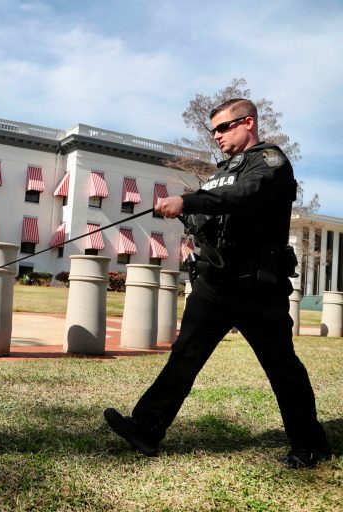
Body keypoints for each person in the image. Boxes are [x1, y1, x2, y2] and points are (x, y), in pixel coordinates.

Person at [104, 98, 331, 469]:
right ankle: (146, 428)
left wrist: (189, 200)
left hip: (256, 285)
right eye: (214, 131)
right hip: (214, 284)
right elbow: (211, 215)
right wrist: (188, 219)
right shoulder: (221, 171)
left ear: (248, 123)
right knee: (184, 356)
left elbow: (246, 195)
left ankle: (310, 444)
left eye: (224, 127)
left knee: (281, 366)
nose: (218, 136)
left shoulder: (269, 162)